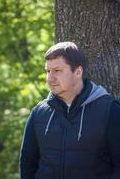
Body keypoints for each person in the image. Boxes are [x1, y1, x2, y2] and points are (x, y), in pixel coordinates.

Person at [19, 42, 120, 179]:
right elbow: (27, 163)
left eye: (57, 71)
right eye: (48, 71)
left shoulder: (109, 110)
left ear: (78, 72)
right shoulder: (39, 113)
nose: (50, 78)